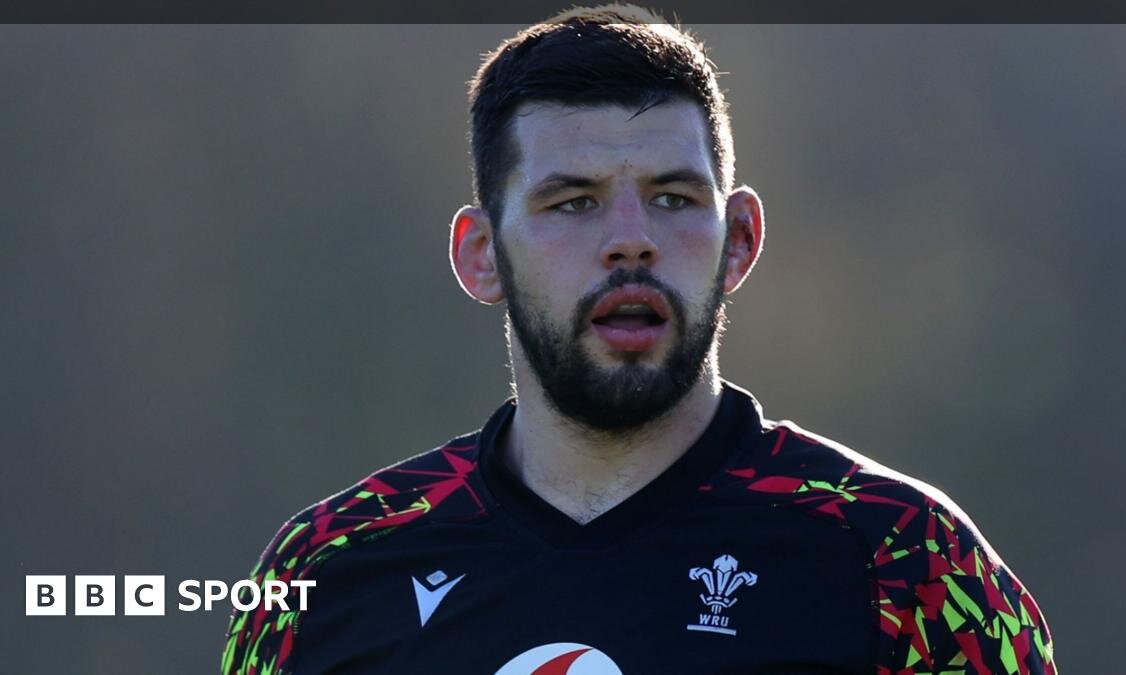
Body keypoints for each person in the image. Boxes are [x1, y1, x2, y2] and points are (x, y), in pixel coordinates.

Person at [221, 6, 1056, 674]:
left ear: (739, 240)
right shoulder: (327, 571)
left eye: (673, 198)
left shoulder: (905, 557)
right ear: (482, 255)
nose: (631, 241)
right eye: (573, 202)